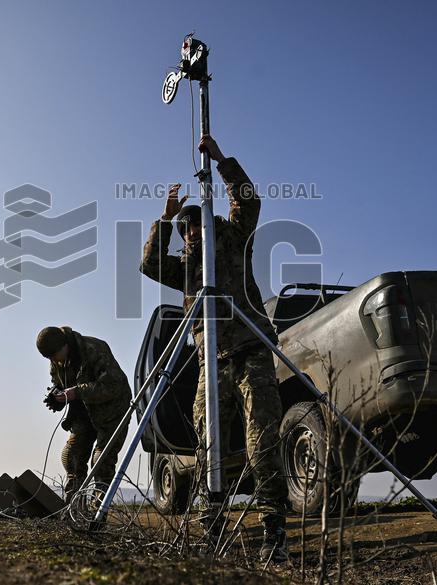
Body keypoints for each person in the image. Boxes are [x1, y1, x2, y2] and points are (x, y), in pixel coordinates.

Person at [140, 134, 289, 562]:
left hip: (250, 351)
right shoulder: (187, 269)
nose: (188, 238)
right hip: (211, 359)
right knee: (209, 447)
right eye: (183, 233)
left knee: (261, 442)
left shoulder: (232, 241)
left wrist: (222, 161)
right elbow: (149, 265)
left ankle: (273, 529)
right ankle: (212, 528)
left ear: (206, 229)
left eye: (192, 229)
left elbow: (249, 202)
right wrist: (163, 220)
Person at [36, 326, 132, 503]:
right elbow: (61, 383)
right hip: (83, 411)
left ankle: (98, 512)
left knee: (102, 461)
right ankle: (74, 509)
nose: (53, 360)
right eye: (49, 357)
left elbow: (113, 386)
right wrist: (59, 399)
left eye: (54, 355)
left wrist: (77, 392)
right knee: (72, 456)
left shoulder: (94, 349)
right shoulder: (57, 359)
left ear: (65, 345)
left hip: (112, 411)